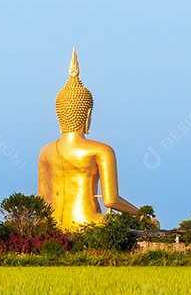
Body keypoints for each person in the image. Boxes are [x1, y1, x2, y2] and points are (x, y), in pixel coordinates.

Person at [38, 49, 158, 229]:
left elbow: (41, 204)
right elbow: (111, 200)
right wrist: (141, 215)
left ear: (59, 114)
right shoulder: (101, 150)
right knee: (152, 224)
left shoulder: (45, 152)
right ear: (87, 115)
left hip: (53, 227)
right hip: (88, 222)